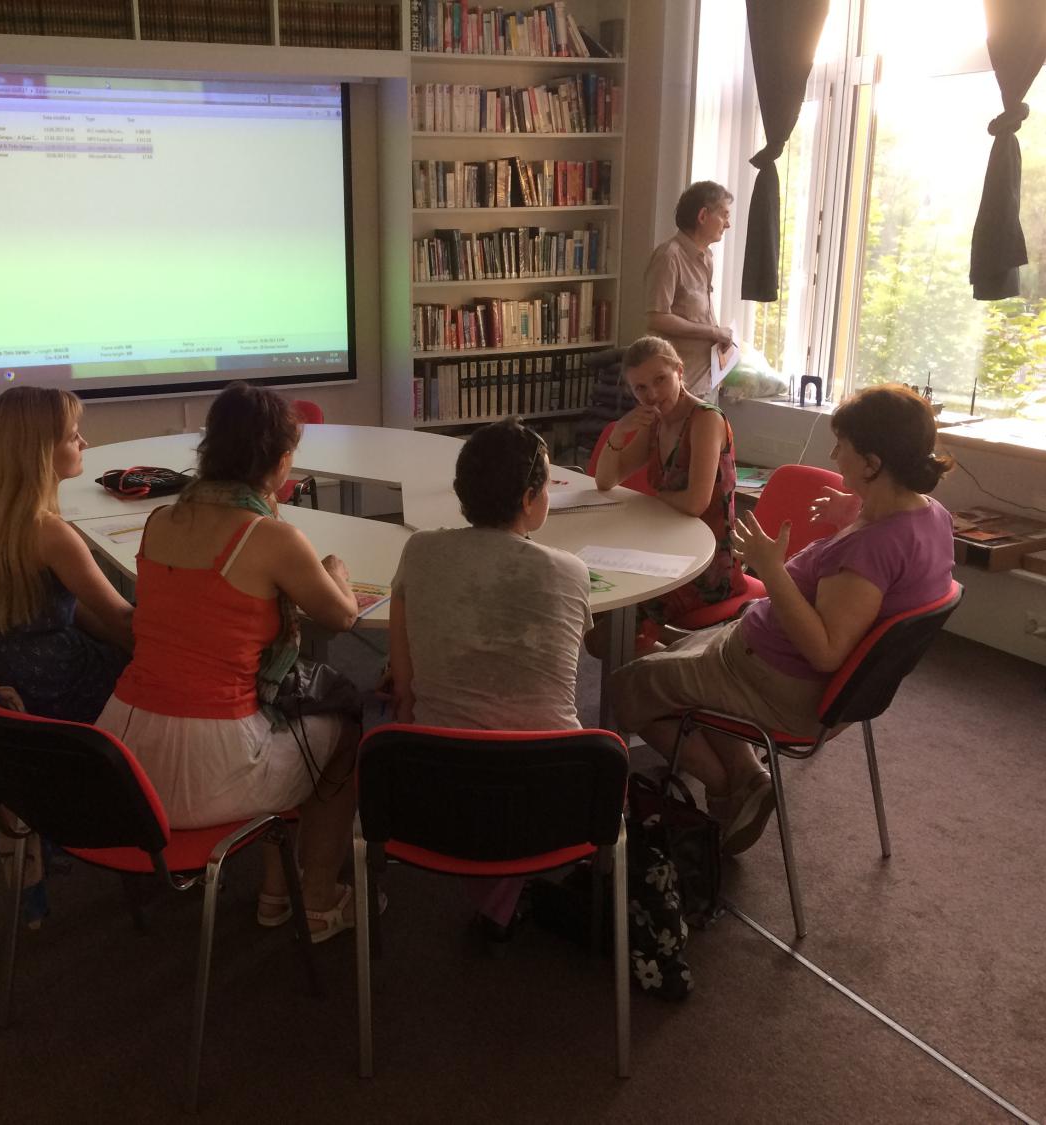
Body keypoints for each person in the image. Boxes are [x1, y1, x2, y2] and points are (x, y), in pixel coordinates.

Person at [609, 384, 955, 855]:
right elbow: (889, 566)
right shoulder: (931, 516)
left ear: (872, 464)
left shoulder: (868, 552)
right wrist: (854, 512)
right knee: (678, 658)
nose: (833, 455)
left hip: (777, 682)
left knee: (626, 688)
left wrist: (771, 569)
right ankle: (749, 773)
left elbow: (826, 650)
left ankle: (730, 787)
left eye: (842, 446)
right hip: (776, 666)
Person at [94, 382, 364, 943]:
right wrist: (334, 571)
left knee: (289, 716)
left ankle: (275, 891)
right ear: (282, 461)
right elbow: (340, 616)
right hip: (208, 765)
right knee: (342, 729)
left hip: (121, 758)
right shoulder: (272, 537)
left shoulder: (160, 519)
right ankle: (316, 898)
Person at [389, 419, 593, 943]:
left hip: (435, 789)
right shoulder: (570, 571)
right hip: (554, 794)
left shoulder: (419, 551)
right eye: (547, 485)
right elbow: (561, 666)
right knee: (522, 725)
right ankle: (506, 895)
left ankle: (498, 897)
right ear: (528, 499)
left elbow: (403, 686)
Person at [0, 386, 132, 725]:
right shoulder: (50, 533)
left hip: (6, 672)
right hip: (56, 685)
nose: (84, 443)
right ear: (41, 453)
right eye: (73, 437)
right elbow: (122, 620)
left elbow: (73, 605)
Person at [593, 336, 744, 641]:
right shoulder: (656, 422)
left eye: (660, 380)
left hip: (707, 563)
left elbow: (695, 503)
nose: (652, 394)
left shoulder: (705, 419)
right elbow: (606, 480)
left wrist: (655, 498)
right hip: (663, 547)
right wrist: (620, 430)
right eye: (640, 388)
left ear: (679, 371)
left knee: (608, 632)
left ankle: (663, 659)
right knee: (595, 602)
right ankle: (649, 655)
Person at [642, 180, 735, 398]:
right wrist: (713, 332)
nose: (728, 225)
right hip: (677, 388)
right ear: (703, 216)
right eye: (724, 215)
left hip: (706, 381)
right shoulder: (669, 257)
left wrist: (719, 338)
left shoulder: (707, 257)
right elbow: (657, 318)